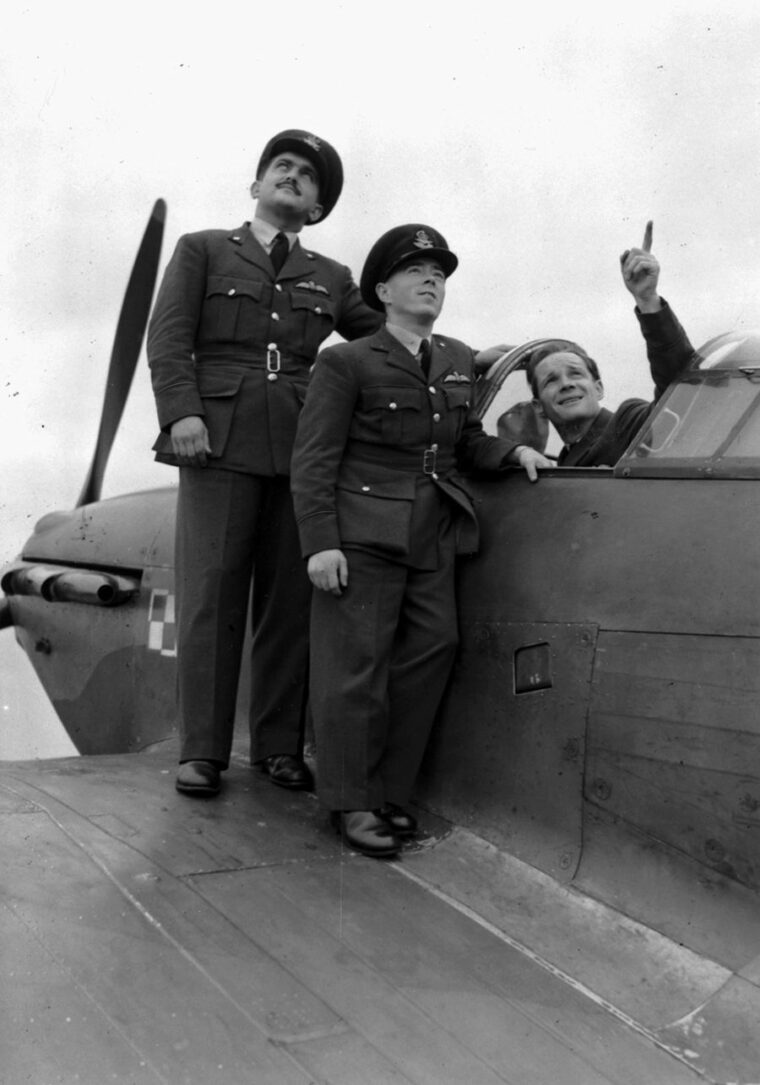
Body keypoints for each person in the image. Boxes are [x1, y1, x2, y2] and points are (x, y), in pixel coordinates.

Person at [147, 129, 381, 798]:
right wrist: (181, 412)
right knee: (210, 595)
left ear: (316, 207)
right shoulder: (203, 249)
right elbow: (167, 339)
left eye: (309, 177)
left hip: (303, 449)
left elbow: (386, 342)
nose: (294, 176)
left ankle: (278, 747)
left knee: (290, 602)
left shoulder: (333, 278)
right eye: (282, 166)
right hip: (215, 437)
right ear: (256, 185)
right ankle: (203, 750)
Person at [290, 224, 522, 857]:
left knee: (434, 648)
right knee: (354, 670)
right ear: (383, 290)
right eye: (417, 271)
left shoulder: (453, 356)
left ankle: (389, 791)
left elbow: (466, 440)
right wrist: (320, 544)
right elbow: (313, 460)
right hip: (362, 533)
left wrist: (514, 450)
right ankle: (351, 801)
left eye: (440, 274)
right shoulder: (346, 361)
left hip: (433, 531)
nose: (432, 281)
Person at [499, 222, 698, 474]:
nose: (566, 384)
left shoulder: (628, 423)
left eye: (576, 373)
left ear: (599, 388)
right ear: (538, 406)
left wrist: (647, 300)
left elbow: (678, 386)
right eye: (551, 380)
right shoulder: (565, 459)